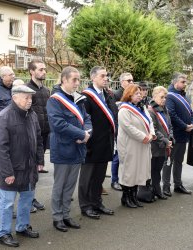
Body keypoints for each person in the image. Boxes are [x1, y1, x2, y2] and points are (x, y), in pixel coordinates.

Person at [0, 85, 44, 247]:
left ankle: (22, 227)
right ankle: (3, 233)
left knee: (26, 200)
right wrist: (7, 172)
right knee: (7, 203)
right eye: (26, 98)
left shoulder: (32, 115)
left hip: (29, 169)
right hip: (12, 170)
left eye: (31, 98)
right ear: (15, 97)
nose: (30, 101)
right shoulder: (4, 117)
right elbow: (0, 148)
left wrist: (40, 160)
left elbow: (38, 139)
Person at [47, 66, 92, 232]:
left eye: (78, 79)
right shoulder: (54, 100)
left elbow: (87, 119)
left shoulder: (79, 99)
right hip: (63, 149)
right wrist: (81, 134)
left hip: (78, 149)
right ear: (64, 80)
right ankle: (57, 217)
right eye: (74, 79)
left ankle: (66, 215)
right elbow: (58, 124)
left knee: (70, 186)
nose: (77, 83)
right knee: (60, 186)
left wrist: (87, 133)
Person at [79, 66, 117, 219]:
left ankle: (97, 202)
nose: (106, 78)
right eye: (103, 76)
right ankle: (85, 205)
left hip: (105, 143)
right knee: (87, 178)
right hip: (91, 144)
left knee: (99, 177)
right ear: (93, 77)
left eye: (107, 76)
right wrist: (86, 142)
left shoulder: (107, 95)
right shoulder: (86, 96)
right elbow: (83, 121)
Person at [117, 84, 155, 208]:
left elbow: (150, 122)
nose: (140, 95)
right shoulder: (124, 109)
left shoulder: (142, 108)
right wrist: (143, 137)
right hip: (130, 145)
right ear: (129, 95)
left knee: (138, 171)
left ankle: (133, 196)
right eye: (137, 93)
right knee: (129, 171)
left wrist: (152, 134)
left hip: (142, 144)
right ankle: (126, 197)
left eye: (140, 93)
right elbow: (128, 127)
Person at [163, 73, 193, 196]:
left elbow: (190, 113)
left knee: (179, 161)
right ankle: (166, 186)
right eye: (183, 82)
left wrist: (191, 124)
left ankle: (178, 184)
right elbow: (171, 114)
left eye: (185, 82)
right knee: (169, 161)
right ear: (176, 83)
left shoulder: (184, 96)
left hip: (184, 135)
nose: (185, 84)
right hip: (174, 134)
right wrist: (184, 126)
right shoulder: (170, 96)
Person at [148, 86, 173, 200]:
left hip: (164, 145)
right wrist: (165, 140)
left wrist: (171, 136)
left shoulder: (165, 109)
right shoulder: (151, 110)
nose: (164, 99)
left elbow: (169, 125)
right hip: (155, 145)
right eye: (161, 97)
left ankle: (157, 190)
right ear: (154, 97)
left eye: (165, 97)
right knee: (153, 170)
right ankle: (153, 190)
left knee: (158, 169)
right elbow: (154, 129)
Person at [111, 73, 134, 191]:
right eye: (128, 80)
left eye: (132, 80)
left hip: (130, 131)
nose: (131, 82)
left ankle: (124, 179)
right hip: (119, 130)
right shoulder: (115, 95)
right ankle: (114, 180)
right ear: (121, 82)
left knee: (128, 156)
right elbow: (114, 114)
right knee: (117, 157)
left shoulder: (133, 94)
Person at [27, 59, 50, 175]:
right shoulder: (26, 89)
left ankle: (39, 166)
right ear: (32, 71)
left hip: (45, 129)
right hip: (32, 129)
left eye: (44, 69)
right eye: (41, 69)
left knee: (42, 150)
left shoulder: (46, 90)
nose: (44, 72)